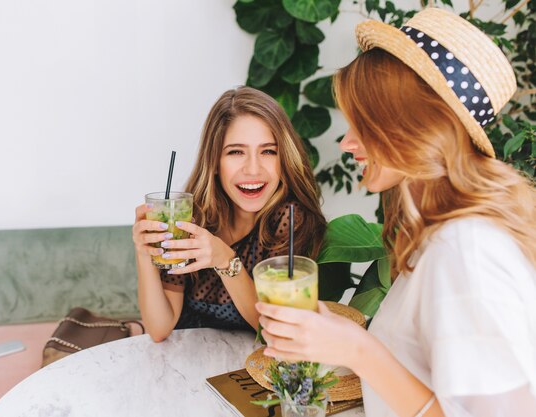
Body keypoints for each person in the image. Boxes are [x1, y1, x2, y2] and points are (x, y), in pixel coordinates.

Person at [255, 8, 536, 417]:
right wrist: (336, 341)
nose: (349, 144)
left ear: (410, 124)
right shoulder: (440, 235)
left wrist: (357, 348)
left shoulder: (466, 251)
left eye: (362, 124)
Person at [132, 86, 326, 342]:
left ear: (284, 159)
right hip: (186, 354)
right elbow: (159, 329)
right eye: (236, 152)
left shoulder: (290, 220)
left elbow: (276, 332)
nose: (253, 169)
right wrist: (144, 250)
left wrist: (225, 260)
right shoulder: (193, 216)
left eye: (268, 151)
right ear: (213, 162)